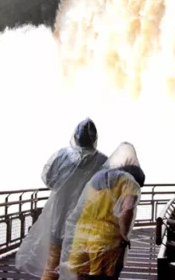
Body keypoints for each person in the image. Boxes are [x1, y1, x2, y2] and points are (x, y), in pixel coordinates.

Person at [16, 119, 107, 280]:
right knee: (81, 269)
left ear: (76, 137)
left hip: (59, 220)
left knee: (52, 265)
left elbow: (49, 179)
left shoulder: (62, 155)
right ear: (94, 139)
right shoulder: (103, 161)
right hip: (86, 225)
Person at [61, 142, 145, 280]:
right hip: (105, 239)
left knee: (81, 275)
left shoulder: (97, 179)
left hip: (81, 235)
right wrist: (124, 234)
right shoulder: (129, 183)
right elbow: (127, 210)